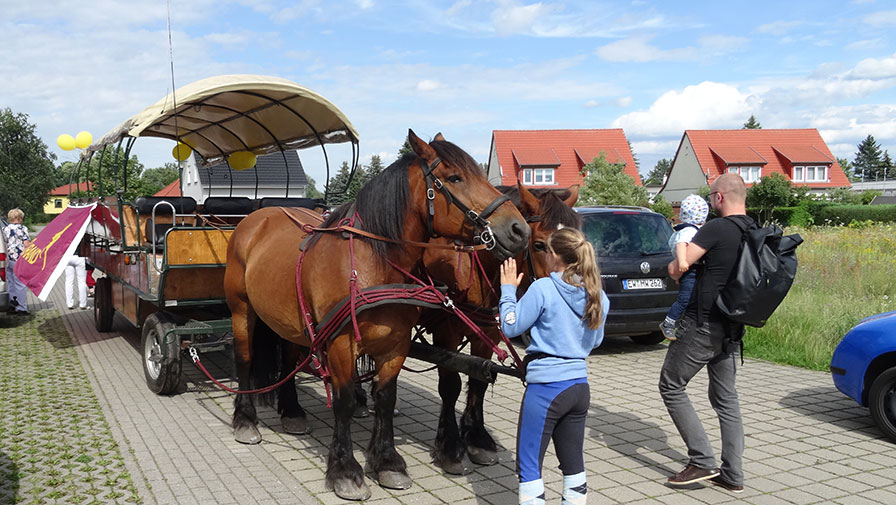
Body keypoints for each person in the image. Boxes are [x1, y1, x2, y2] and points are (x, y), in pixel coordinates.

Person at [499, 227, 610, 505]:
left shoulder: (543, 288)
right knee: (573, 464)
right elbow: (594, 342)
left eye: (546, 251)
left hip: (547, 390)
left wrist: (508, 292)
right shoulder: (597, 295)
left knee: (529, 466)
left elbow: (511, 325)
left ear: (553, 256)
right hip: (578, 388)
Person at [658, 173, 753, 493]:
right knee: (726, 399)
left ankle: (701, 460)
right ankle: (733, 474)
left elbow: (678, 268)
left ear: (720, 198)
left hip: (702, 324)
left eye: (712, 196)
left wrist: (676, 264)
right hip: (732, 328)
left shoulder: (715, 228)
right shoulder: (753, 231)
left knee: (671, 385)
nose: (712, 201)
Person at [659, 194, 710, 340]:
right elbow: (681, 244)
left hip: (690, 270)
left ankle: (682, 322)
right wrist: (682, 262)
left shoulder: (686, 229)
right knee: (684, 299)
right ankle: (668, 322)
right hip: (690, 270)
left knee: (690, 298)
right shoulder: (690, 231)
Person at [3, 208, 32, 315]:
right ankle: (21, 307)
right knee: (20, 283)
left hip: (8, 259)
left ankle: (12, 305)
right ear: (19, 218)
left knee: (10, 282)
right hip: (19, 259)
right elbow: (26, 244)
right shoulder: (22, 228)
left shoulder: (4, 229)